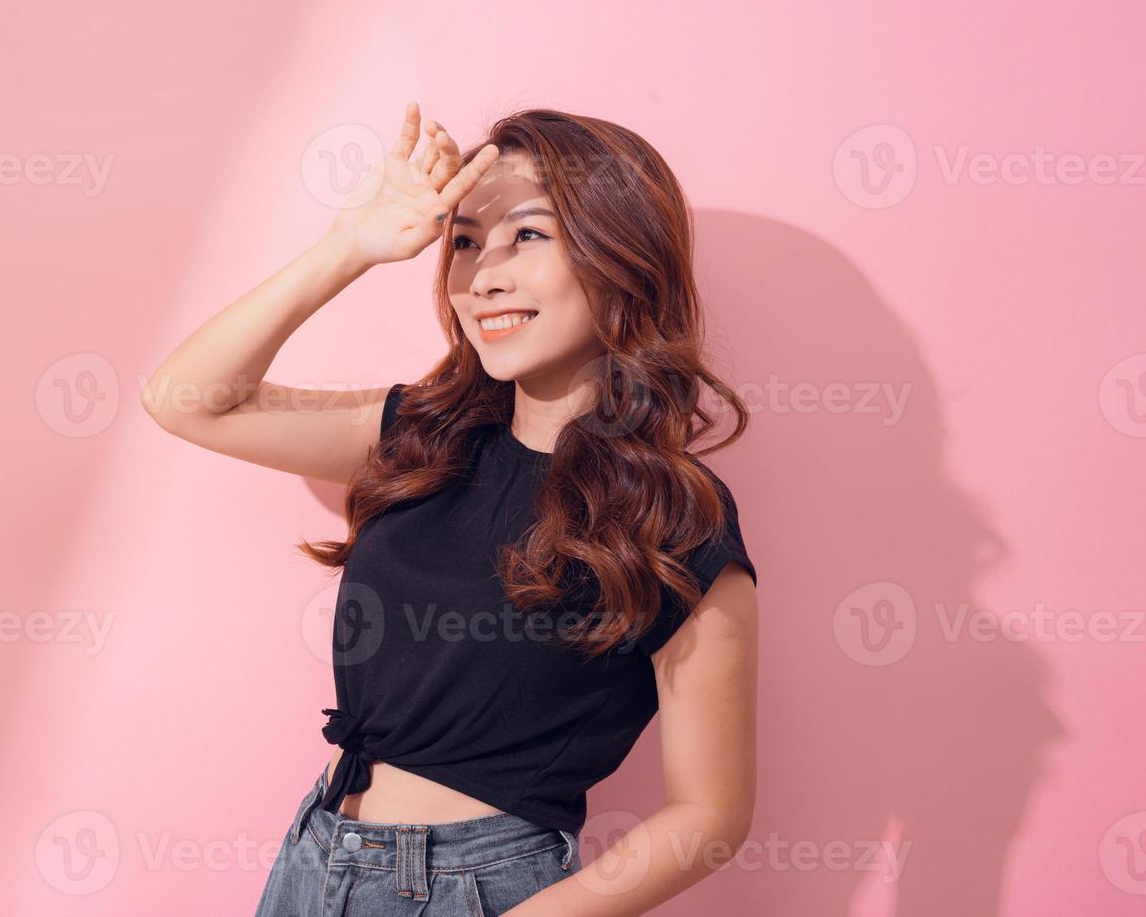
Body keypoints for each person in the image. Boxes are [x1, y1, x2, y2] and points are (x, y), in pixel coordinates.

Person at [142, 101, 760, 916]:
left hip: (477, 888)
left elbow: (708, 815)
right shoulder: (422, 433)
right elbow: (186, 400)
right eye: (464, 241)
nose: (483, 274)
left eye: (528, 236)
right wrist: (350, 247)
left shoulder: (671, 514)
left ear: (621, 258)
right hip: (314, 854)